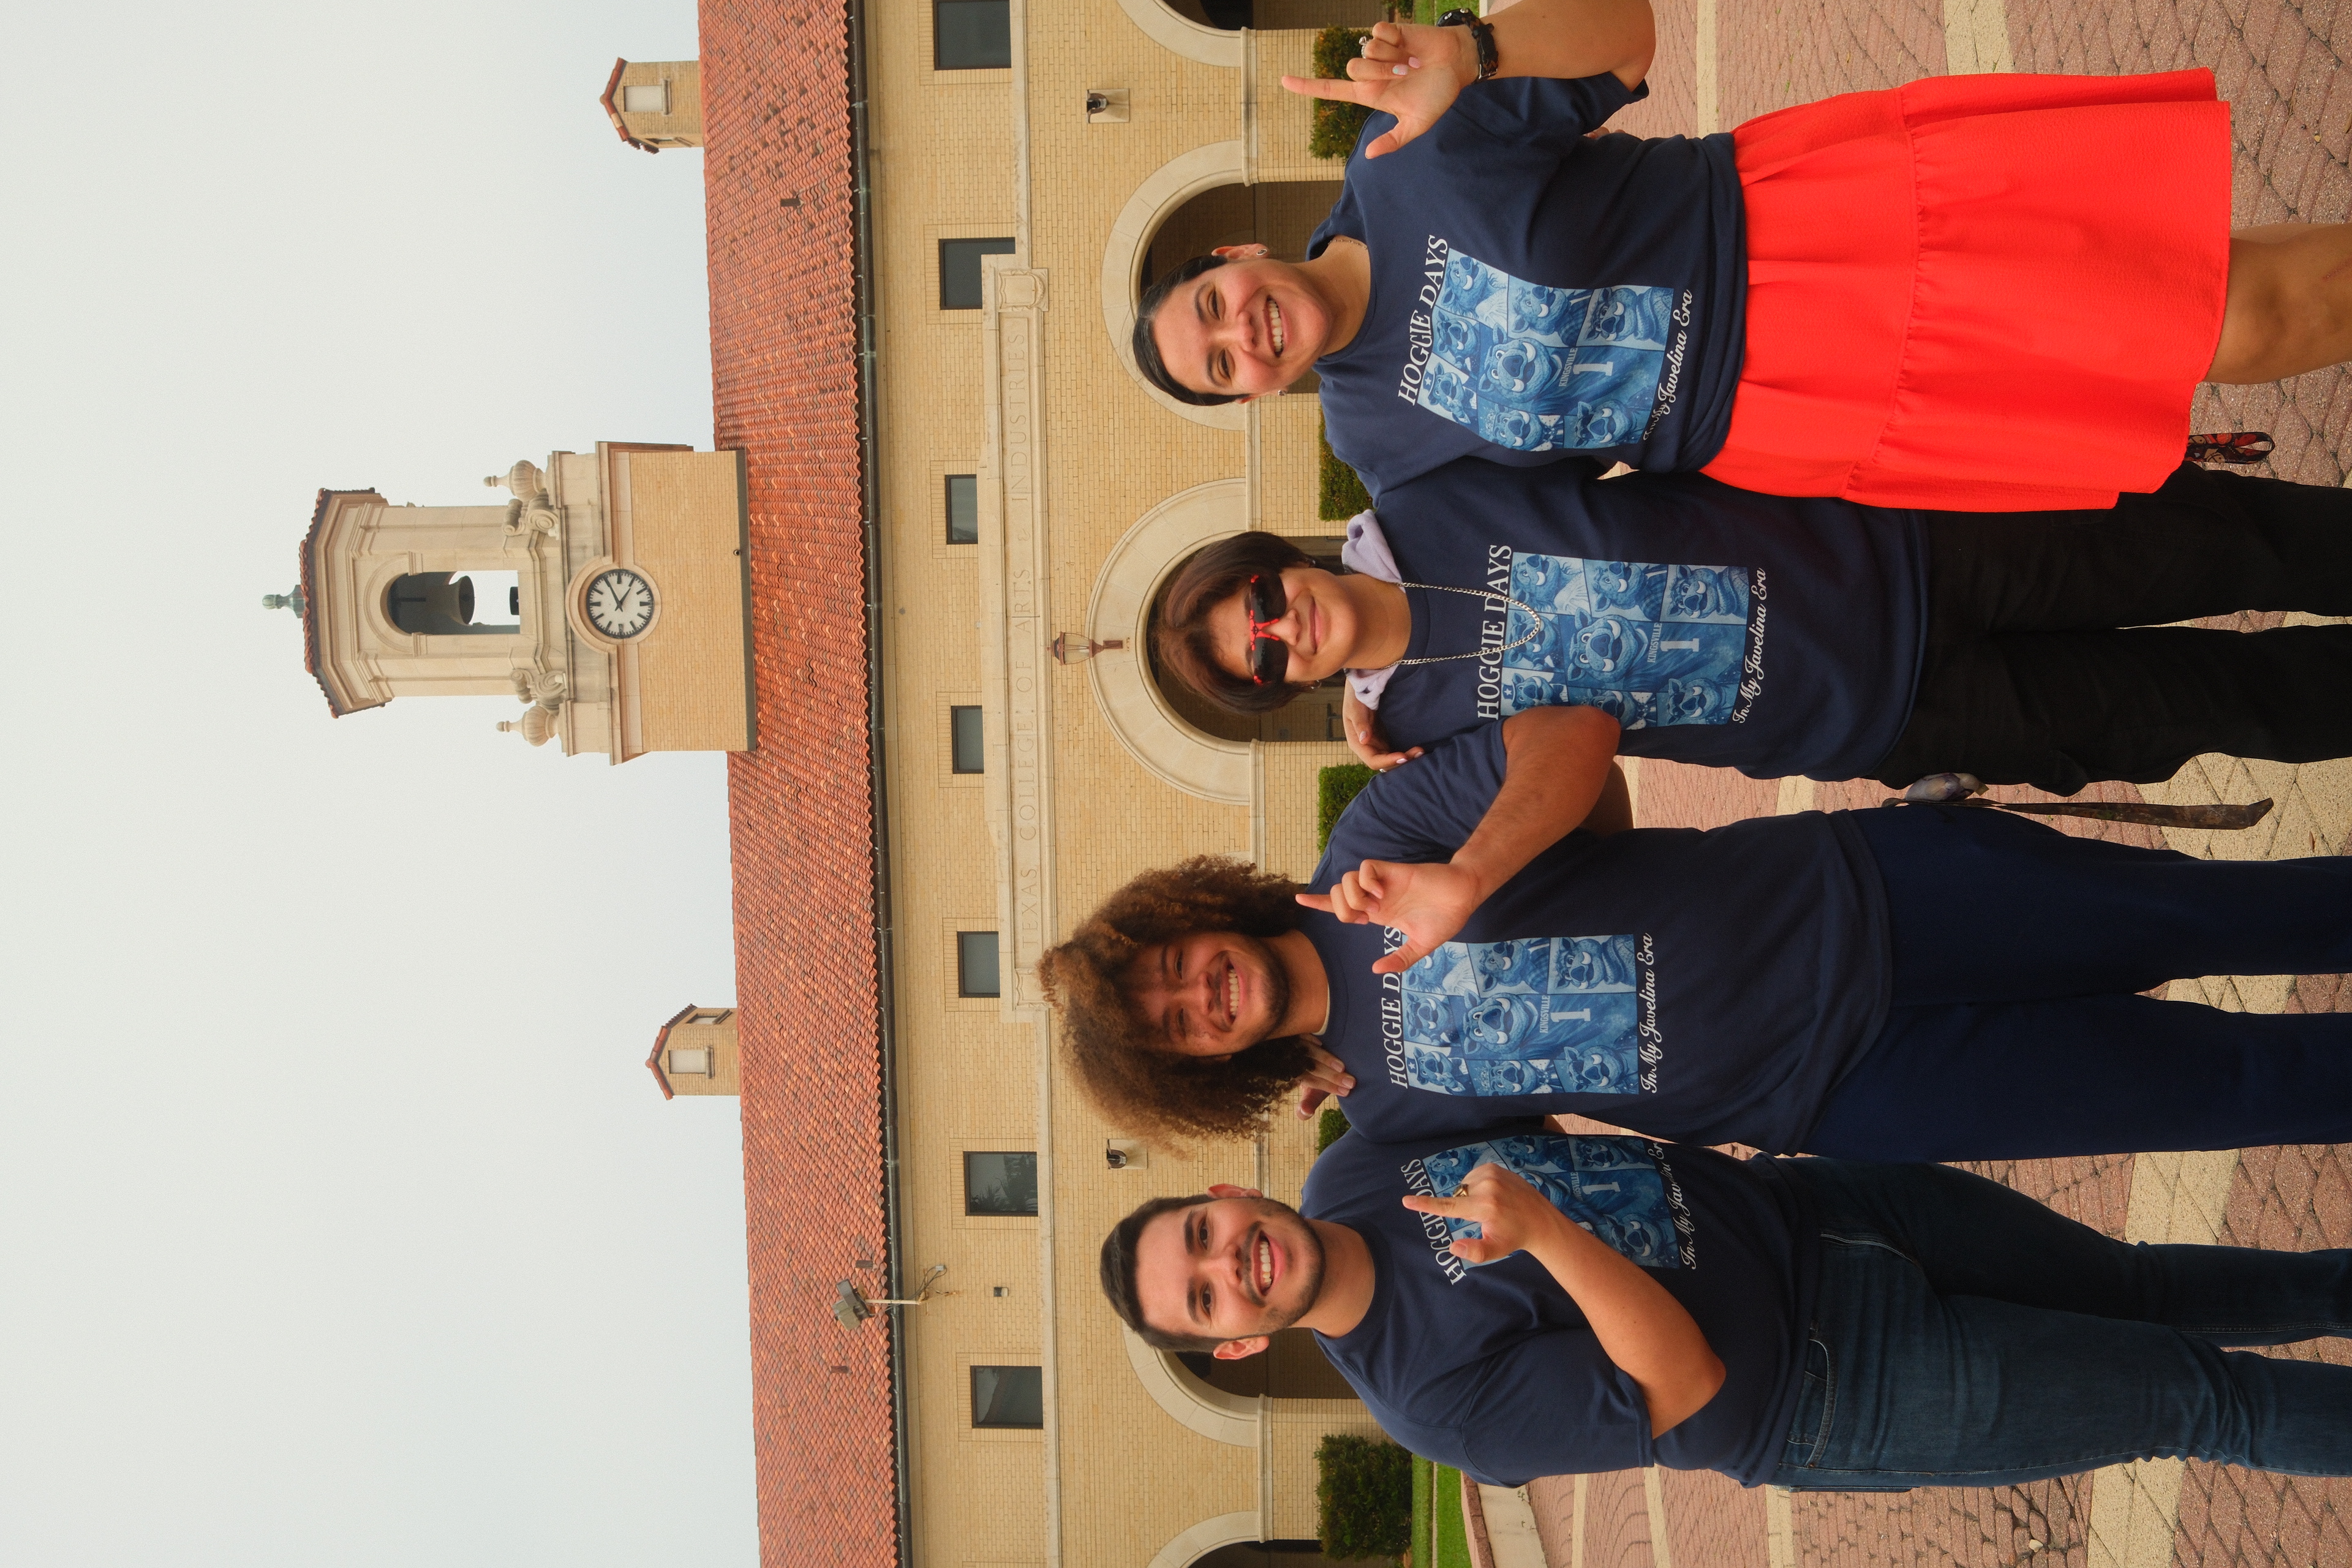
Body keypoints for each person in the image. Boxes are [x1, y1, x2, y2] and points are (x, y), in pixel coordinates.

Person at [1133, 0, 2352, 509]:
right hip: (1798, 418)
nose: (1243, 331)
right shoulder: (1379, 446)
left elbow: (1623, 33)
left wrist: (1477, 45)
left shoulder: (1403, 160)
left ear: (1237, 250)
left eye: (1213, 302)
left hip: (1817, 235)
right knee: (2187, 314)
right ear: (1254, 393)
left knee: (2218, 313)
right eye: (1221, 366)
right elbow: (1541, 551)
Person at [1035, 716, 2352, 1159]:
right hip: (1849, 1093)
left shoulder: (1381, 833)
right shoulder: (1384, 1117)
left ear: (1193, 911)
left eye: (1166, 964)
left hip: (1875, 896)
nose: (1193, 994)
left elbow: (1573, 741)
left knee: (2220, 911)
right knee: (2224, 1088)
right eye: (1172, 1028)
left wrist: (1467, 876)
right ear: (1205, 1068)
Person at [1099, 1128, 2352, 1488]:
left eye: (1206, 1234)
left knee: (2145, 1284)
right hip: (1832, 1388)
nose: (1234, 1262)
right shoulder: (1431, 1403)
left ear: (1228, 1189)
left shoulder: (1357, 1167)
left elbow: (1516, 1073)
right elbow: (1679, 1385)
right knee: (2203, 1394)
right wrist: (1546, 1233)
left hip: (1826, 1214)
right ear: (1238, 1339)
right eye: (1208, 1298)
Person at [1148, 457, 2352, 791]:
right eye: (1257, 662)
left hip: (1915, 534)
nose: (1276, 631)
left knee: (2227, 537)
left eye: (1254, 603)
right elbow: (1570, 811)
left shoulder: (1425, 492)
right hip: (1892, 714)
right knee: (2214, 705)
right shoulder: (1412, 731)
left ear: (1268, 564)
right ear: (1278, 689)